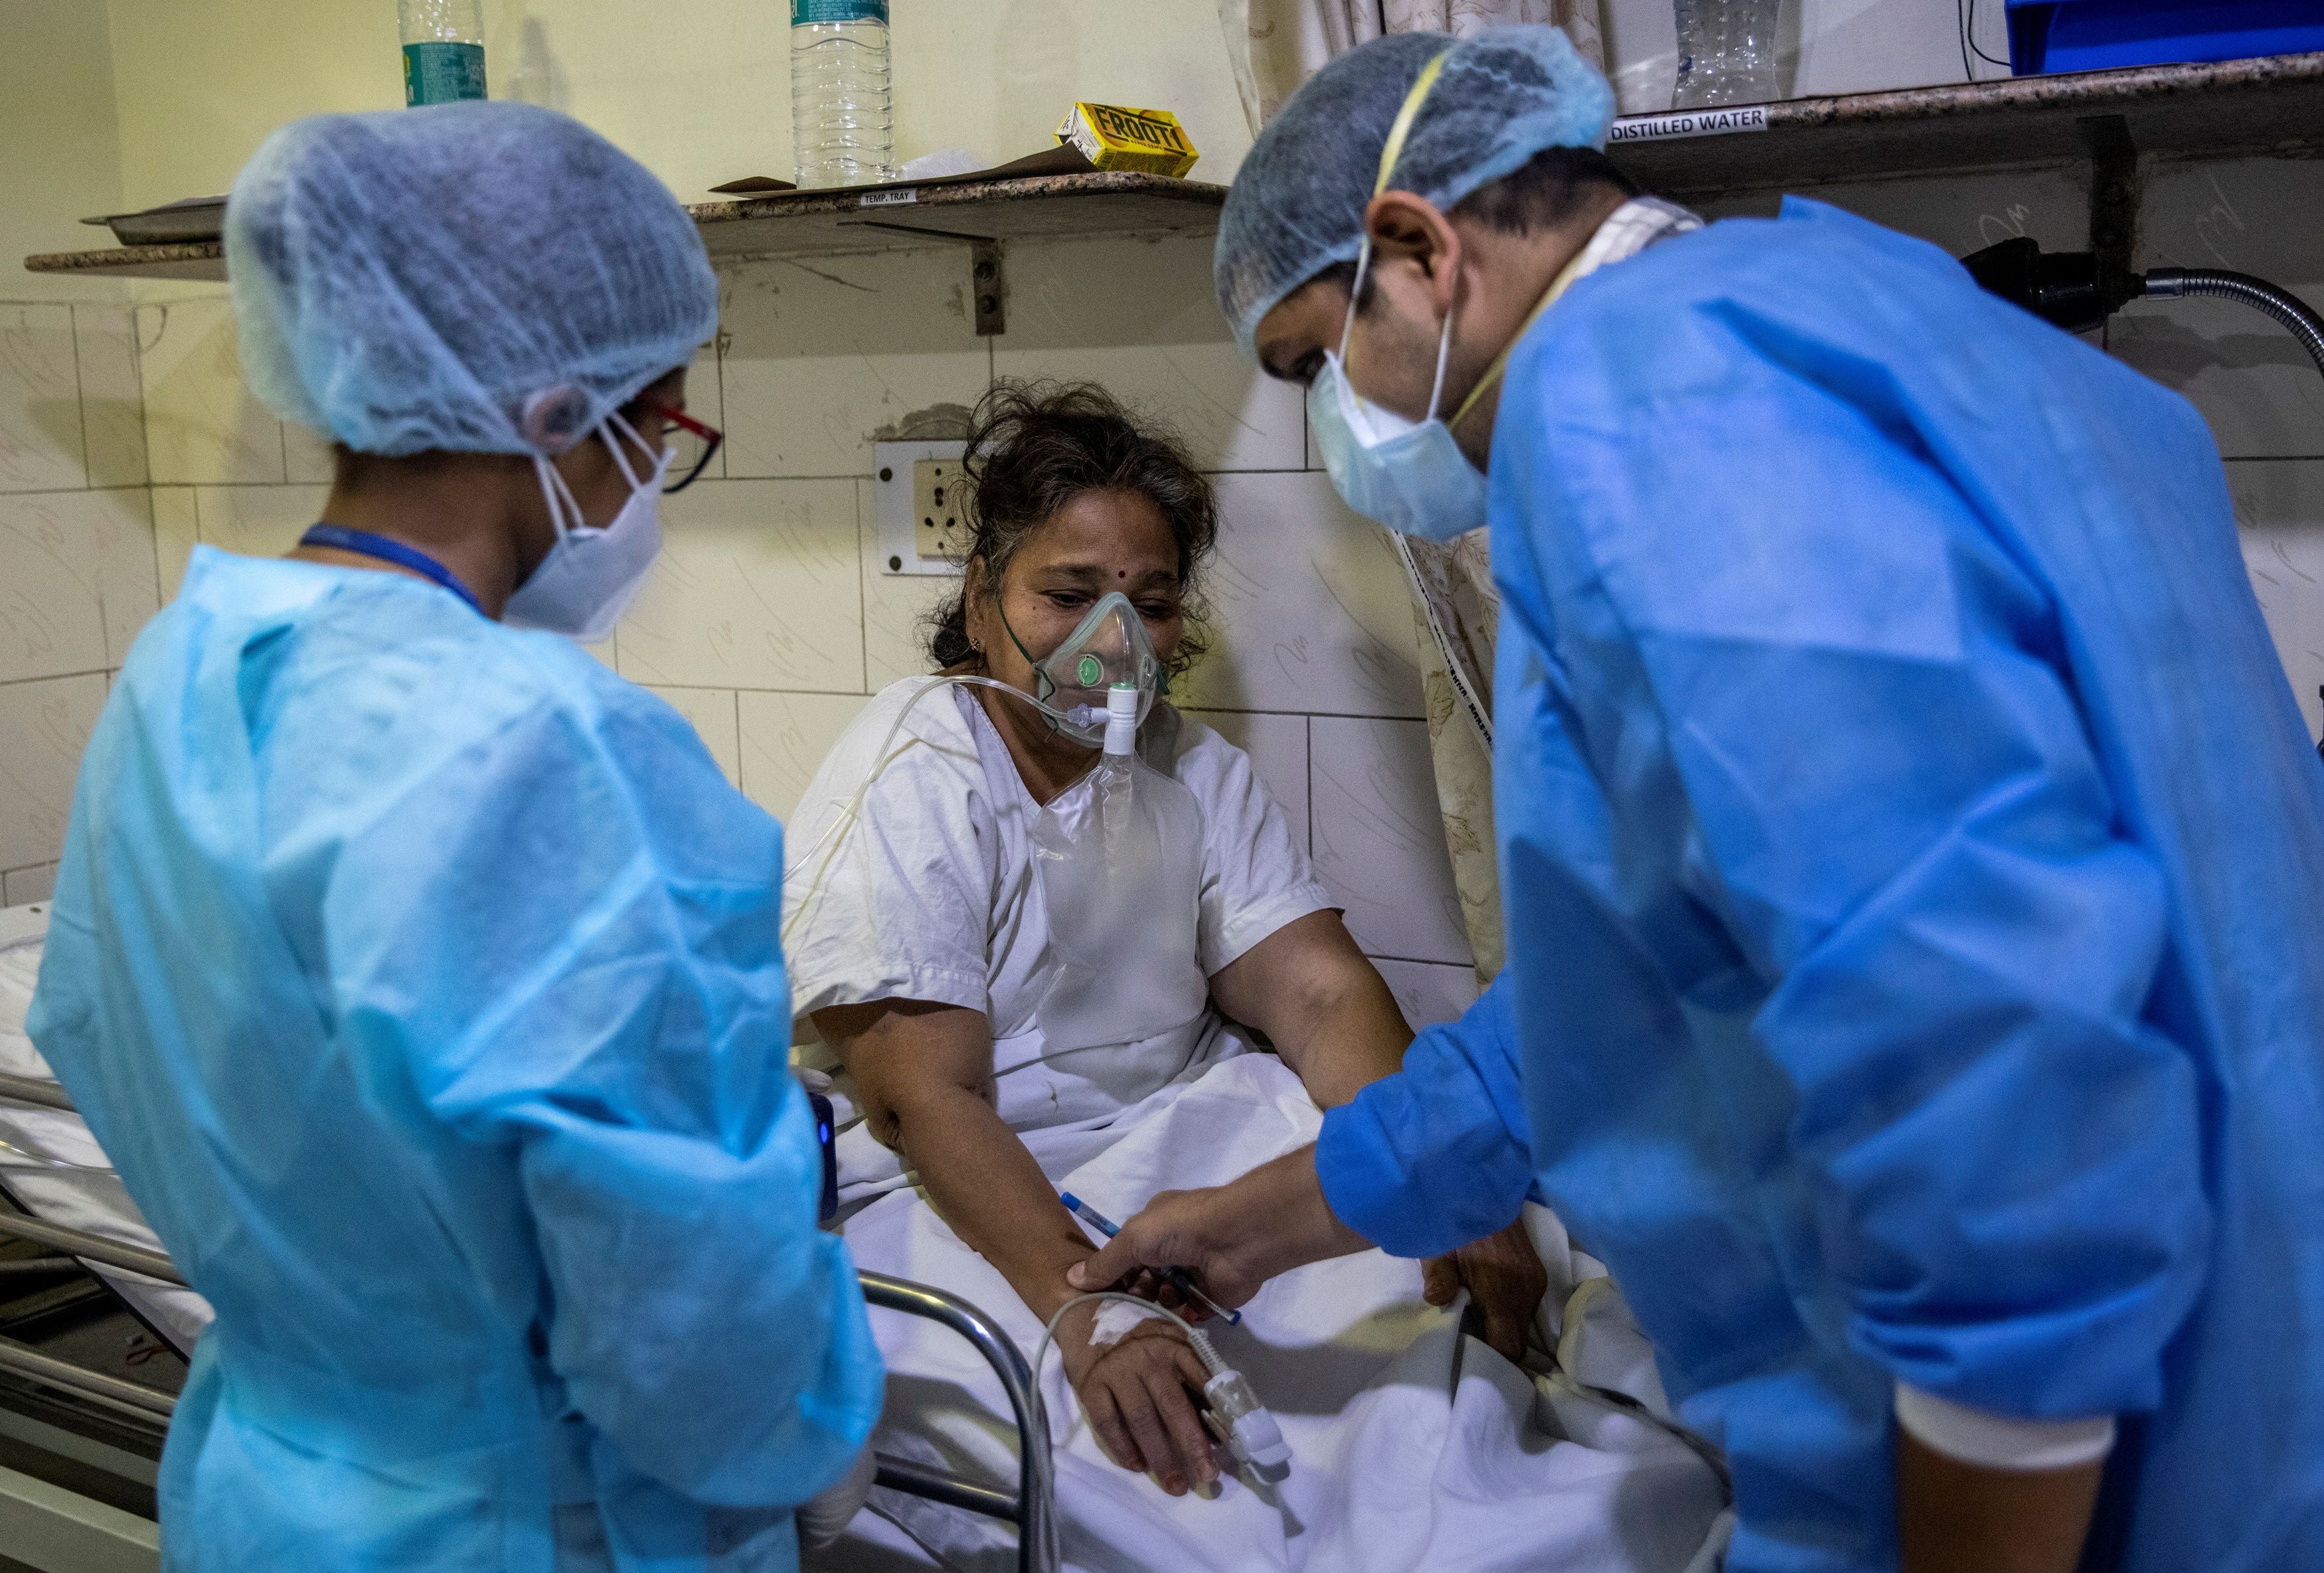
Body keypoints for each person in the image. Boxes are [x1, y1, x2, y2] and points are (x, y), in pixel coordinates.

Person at [1069, 25, 2324, 1573]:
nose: (1336, 425)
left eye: (1315, 361)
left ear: (1413, 250)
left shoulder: (1651, 414)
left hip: (2059, 1466)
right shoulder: (1893, 324)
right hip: (2244, 1340)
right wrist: (1272, 1217)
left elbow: (1987, 1057)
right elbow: (1648, 972)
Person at [26, 102, 882, 1571]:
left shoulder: (183, 667)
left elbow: (96, 1024)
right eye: (659, 424)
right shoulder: (555, 750)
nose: (643, 485)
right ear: (558, 415)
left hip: (267, 1493)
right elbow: (699, 1347)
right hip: (521, 1524)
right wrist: (816, 1419)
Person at [782, 381, 1547, 1502]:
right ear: (981, 595)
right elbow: (926, 1099)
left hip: (1188, 1130)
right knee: (1167, 1454)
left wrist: (1428, 1164)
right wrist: (1085, 1305)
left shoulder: (1189, 769)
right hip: (985, 1173)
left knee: (1435, 1340)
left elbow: (1322, 995)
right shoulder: (919, 772)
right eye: (1069, 594)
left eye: (1150, 601)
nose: (1113, 642)